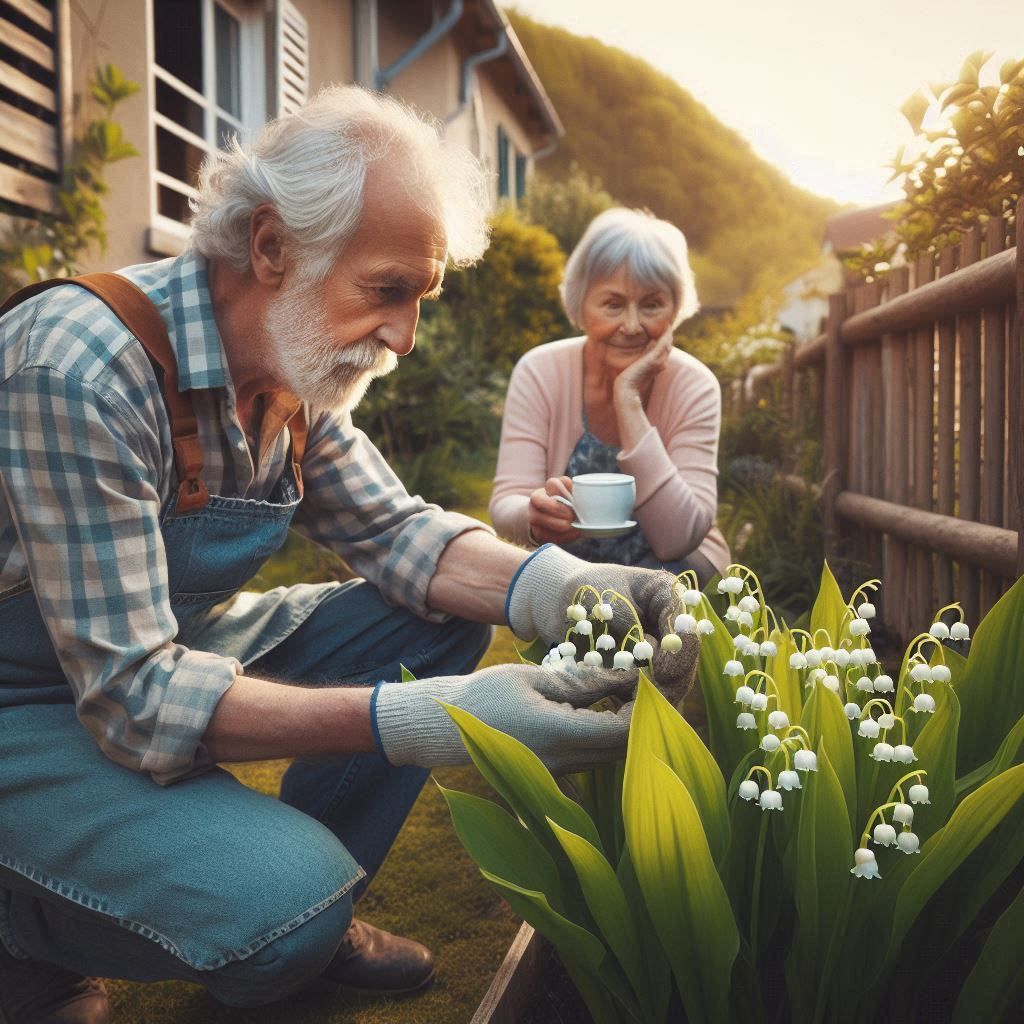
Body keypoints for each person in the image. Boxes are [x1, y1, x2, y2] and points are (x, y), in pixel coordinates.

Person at [0, 87, 693, 1023]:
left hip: (155, 644)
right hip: (25, 695)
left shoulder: (289, 369)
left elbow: (399, 535)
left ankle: (299, 899)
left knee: (441, 606)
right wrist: (430, 718)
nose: (404, 337)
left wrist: (570, 586)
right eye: (386, 291)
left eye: (421, 296)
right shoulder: (84, 370)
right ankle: (29, 935)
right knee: (278, 914)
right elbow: (131, 697)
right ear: (273, 247)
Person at [490, 208, 730, 584]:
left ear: (674, 309)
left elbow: (677, 540)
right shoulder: (539, 371)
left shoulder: (696, 385)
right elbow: (507, 502)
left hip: (675, 575)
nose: (632, 326)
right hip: (568, 574)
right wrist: (534, 516)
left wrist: (628, 399)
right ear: (580, 306)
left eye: (651, 305)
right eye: (613, 304)